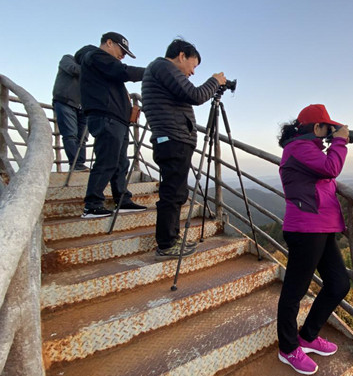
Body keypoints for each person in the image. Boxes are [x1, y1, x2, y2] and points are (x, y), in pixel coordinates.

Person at [276, 104, 351, 375]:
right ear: (316, 128)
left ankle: (307, 336)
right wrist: (340, 141)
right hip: (305, 229)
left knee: (339, 283)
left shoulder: (308, 149)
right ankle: (287, 348)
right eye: (327, 128)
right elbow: (332, 168)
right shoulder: (299, 148)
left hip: (321, 227)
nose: (329, 133)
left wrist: (337, 139)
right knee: (294, 290)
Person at [141, 39, 226, 260]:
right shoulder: (163, 67)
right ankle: (167, 243)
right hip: (173, 140)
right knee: (173, 193)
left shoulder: (160, 71)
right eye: (193, 65)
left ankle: (171, 239)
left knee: (176, 192)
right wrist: (215, 81)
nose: (193, 72)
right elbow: (196, 95)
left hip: (172, 139)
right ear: (181, 56)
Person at [75, 32, 147, 218]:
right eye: (121, 50)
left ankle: (122, 200)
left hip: (118, 118)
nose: (122, 55)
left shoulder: (103, 64)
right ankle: (92, 205)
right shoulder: (96, 57)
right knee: (107, 160)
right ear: (108, 43)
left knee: (121, 162)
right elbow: (122, 71)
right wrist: (152, 72)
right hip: (106, 116)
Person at [51, 54, 88, 171]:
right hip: (65, 102)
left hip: (83, 106)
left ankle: (80, 164)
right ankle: (75, 164)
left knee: (82, 138)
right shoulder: (68, 59)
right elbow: (73, 70)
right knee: (70, 134)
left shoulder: (91, 71)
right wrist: (94, 70)